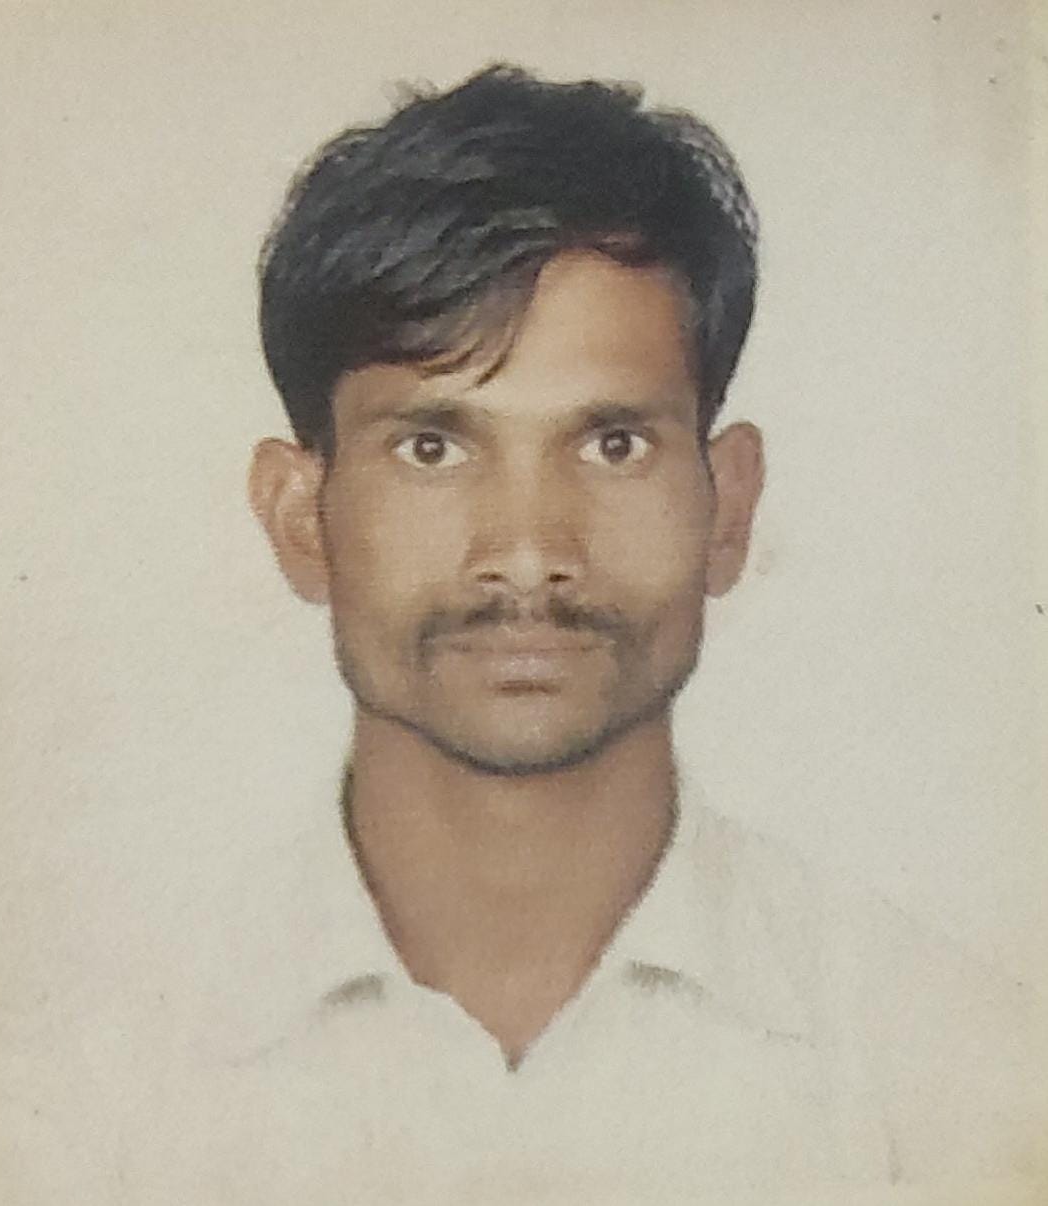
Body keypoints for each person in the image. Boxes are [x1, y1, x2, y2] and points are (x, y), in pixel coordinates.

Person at [227, 64, 1040, 1202]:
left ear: (728, 507)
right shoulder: (84, 1086)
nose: (526, 552)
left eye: (612, 445)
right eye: (432, 447)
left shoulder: (967, 1080)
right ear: (298, 518)